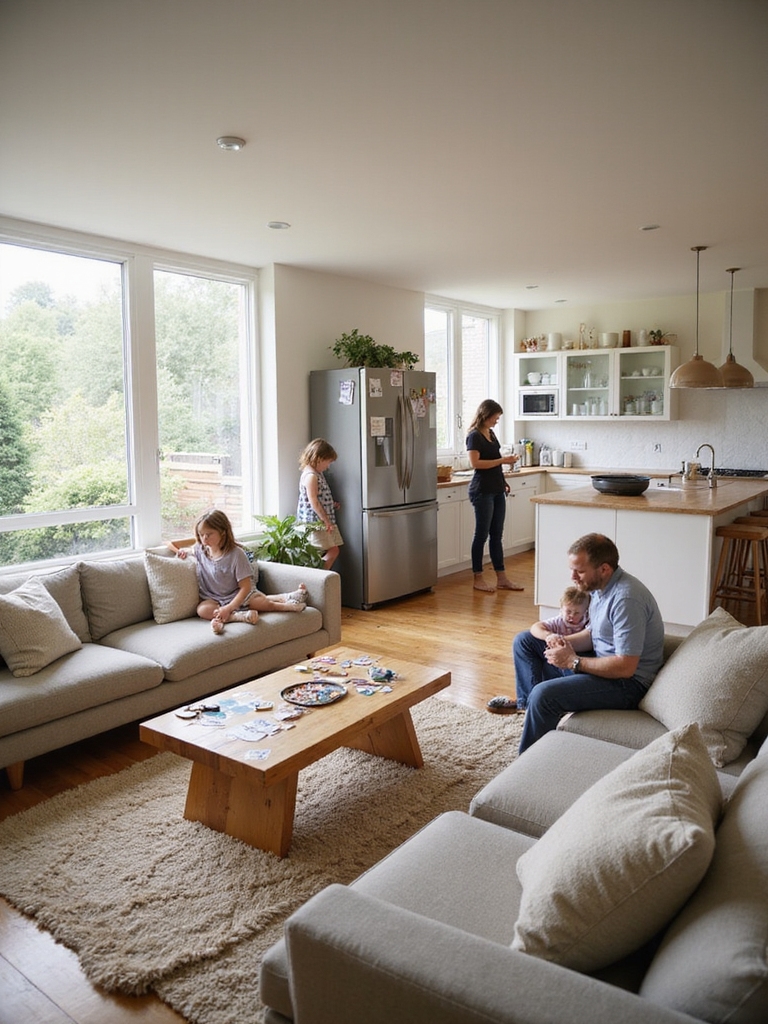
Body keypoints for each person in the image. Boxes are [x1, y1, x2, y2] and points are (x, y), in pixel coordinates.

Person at [513, 533, 664, 753]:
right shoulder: (599, 589)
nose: (573, 577)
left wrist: (573, 661)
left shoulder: (626, 599)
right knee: (526, 641)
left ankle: (528, 763)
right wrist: (559, 642)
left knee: (543, 695)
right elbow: (593, 635)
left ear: (604, 569)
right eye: (572, 570)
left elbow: (626, 667)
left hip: (627, 685)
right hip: (603, 663)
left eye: (580, 571)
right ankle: (530, 712)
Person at [171, 509, 308, 634]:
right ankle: (238, 617)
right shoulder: (199, 550)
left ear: (223, 532)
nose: (204, 539)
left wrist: (229, 607)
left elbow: (245, 587)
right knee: (202, 610)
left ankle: (289, 605)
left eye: (209, 534)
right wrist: (183, 552)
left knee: (262, 603)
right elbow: (173, 544)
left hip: (238, 594)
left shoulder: (236, 554)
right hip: (214, 598)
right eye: (201, 535)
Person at [487, 587, 589, 714]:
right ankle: (527, 703)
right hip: (555, 658)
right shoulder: (559, 621)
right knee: (522, 640)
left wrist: (561, 643)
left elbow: (589, 637)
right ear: (561, 609)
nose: (571, 616)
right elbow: (536, 627)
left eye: (577, 613)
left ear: (585, 612)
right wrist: (549, 636)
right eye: (568, 611)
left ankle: (563, 708)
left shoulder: (588, 621)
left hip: (576, 659)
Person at [465, 399, 521, 593]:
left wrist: (502, 481)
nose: (497, 421)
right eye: (495, 417)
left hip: (497, 489)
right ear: (485, 415)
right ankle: (478, 578)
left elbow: (494, 461)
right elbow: (476, 464)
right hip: (482, 491)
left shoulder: (491, 433)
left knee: (497, 535)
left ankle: (502, 578)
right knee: (481, 535)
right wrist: (503, 461)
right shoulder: (474, 436)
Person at [297, 438, 343, 570]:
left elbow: (320, 497)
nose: (328, 466)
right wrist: (326, 521)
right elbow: (314, 502)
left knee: (330, 550)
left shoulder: (317, 473)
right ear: (318, 458)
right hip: (316, 523)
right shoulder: (311, 476)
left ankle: (318, 574)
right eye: (328, 462)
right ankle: (319, 574)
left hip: (320, 522)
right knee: (332, 550)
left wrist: (331, 504)